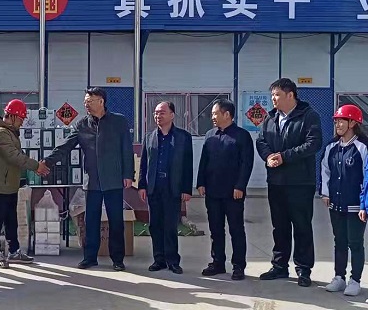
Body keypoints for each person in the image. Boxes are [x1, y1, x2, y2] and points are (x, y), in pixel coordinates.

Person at [45, 87, 134, 272]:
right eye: (85, 101)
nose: (86, 104)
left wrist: (128, 174)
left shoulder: (119, 121)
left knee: (116, 221)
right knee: (91, 221)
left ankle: (118, 259)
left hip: (114, 180)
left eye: (89, 101)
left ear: (101, 101)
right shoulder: (82, 124)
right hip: (92, 181)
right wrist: (47, 162)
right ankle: (90, 257)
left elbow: (127, 148)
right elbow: (65, 146)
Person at [256, 78, 323, 287]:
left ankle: (303, 269)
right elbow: (261, 141)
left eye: (277, 95)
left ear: (290, 95)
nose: (273, 99)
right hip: (276, 182)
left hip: (300, 182)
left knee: (302, 226)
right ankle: (279, 266)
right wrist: (268, 156)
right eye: (272, 95)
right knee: (279, 226)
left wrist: (284, 156)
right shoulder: (270, 117)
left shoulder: (308, 116)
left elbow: (313, 143)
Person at [0, 99, 49, 268]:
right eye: (20, 119)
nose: (22, 122)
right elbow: (13, 156)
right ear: (11, 116)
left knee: (11, 220)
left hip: (9, 184)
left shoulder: (9, 132)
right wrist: (36, 166)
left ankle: (14, 251)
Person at [196, 99, 254, 280]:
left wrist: (240, 186)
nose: (212, 117)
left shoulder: (242, 136)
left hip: (233, 193)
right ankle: (218, 262)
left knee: (236, 230)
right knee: (216, 229)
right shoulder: (210, 135)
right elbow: (204, 160)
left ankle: (238, 266)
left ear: (227, 114)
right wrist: (200, 182)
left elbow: (246, 163)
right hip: (212, 191)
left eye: (215, 113)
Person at [138, 101, 192, 274]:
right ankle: (158, 259)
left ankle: (172, 260)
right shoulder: (149, 137)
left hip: (172, 187)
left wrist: (186, 189)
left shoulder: (183, 137)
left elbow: (188, 164)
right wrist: (142, 185)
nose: (158, 116)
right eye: (156, 113)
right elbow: (144, 163)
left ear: (172, 115)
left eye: (162, 112)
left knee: (170, 225)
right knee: (155, 225)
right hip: (154, 187)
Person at [321, 105, 367, 296]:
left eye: (342, 121)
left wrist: (365, 205)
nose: (337, 124)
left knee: (355, 243)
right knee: (339, 241)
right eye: (336, 121)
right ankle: (339, 277)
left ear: (353, 123)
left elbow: (367, 177)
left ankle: (355, 280)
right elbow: (325, 170)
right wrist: (325, 193)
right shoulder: (331, 147)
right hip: (336, 203)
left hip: (356, 205)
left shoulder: (362, 147)